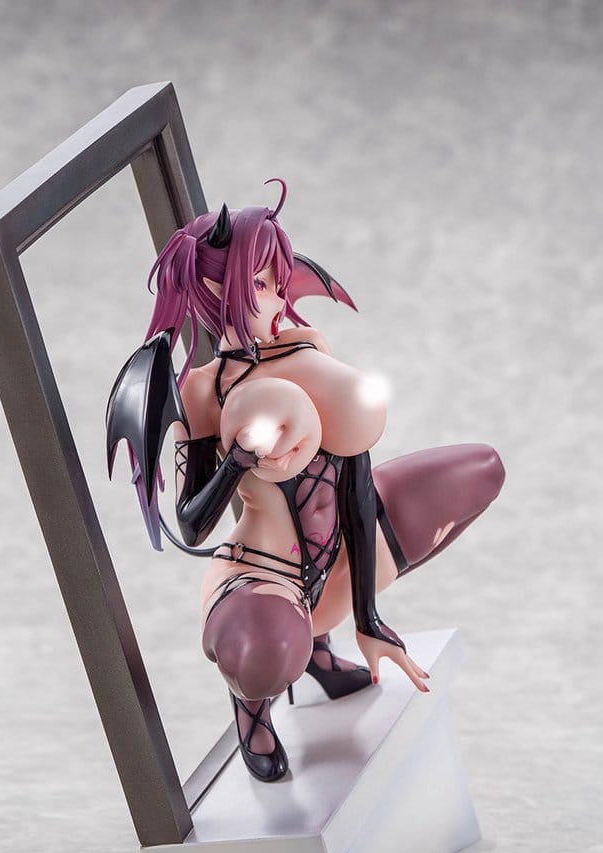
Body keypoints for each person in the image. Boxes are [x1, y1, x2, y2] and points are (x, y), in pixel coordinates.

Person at [107, 181, 504, 782]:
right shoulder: (203, 391)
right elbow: (190, 524)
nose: (274, 298)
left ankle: (318, 644)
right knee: (268, 651)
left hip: (341, 556)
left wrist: (368, 616)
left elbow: (357, 479)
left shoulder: (309, 346)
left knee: (480, 471)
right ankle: (253, 707)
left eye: (277, 280)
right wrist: (238, 462)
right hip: (265, 573)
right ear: (214, 291)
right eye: (258, 284)